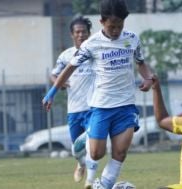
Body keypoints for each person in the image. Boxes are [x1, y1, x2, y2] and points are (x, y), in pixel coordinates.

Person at [42, 0, 154, 188]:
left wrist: (148, 79)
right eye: (112, 26)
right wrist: (52, 92)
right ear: (102, 22)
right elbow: (70, 68)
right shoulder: (91, 44)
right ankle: (87, 140)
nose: (116, 30)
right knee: (96, 154)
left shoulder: (132, 39)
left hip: (126, 105)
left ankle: (101, 185)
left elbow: (141, 63)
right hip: (101, 107)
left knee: (120, 153)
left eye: (120, 26)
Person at [50, 16, 96, 189]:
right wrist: (59, 83)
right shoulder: (65, 55)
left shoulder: (95, 52)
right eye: (77, 32)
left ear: (89, 33)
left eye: (84, 31)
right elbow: (54, 75)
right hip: (74, 110)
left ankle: (90, 181)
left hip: (93, 108)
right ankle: (80, 163)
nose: (81, 34)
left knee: (92, 144)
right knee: (77, 149)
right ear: (72, 34)